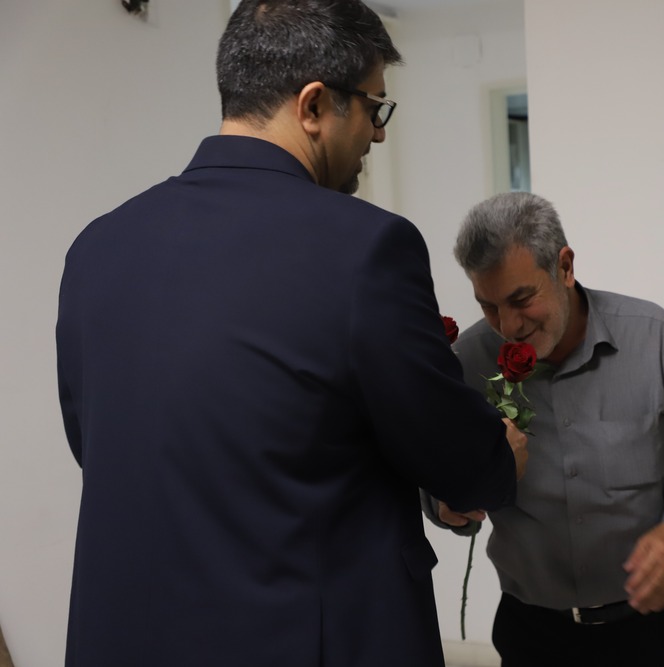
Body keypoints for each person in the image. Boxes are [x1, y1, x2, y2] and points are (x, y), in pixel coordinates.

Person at [55, 2, 526, 666]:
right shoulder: (366, 247)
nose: (377, 134)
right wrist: (498, 457)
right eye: (373, 107)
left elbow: (99, 444)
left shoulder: (97, 248)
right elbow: (457, 460)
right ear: (314, 105)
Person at [423, 192, 664, 667]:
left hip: (656, 628)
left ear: (565, 267)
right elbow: (438, 475)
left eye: (521, 299)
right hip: (534, 634)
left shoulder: (655, 337)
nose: (507, 326)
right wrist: (447, 502)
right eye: (488, 306)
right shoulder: (467, 361)